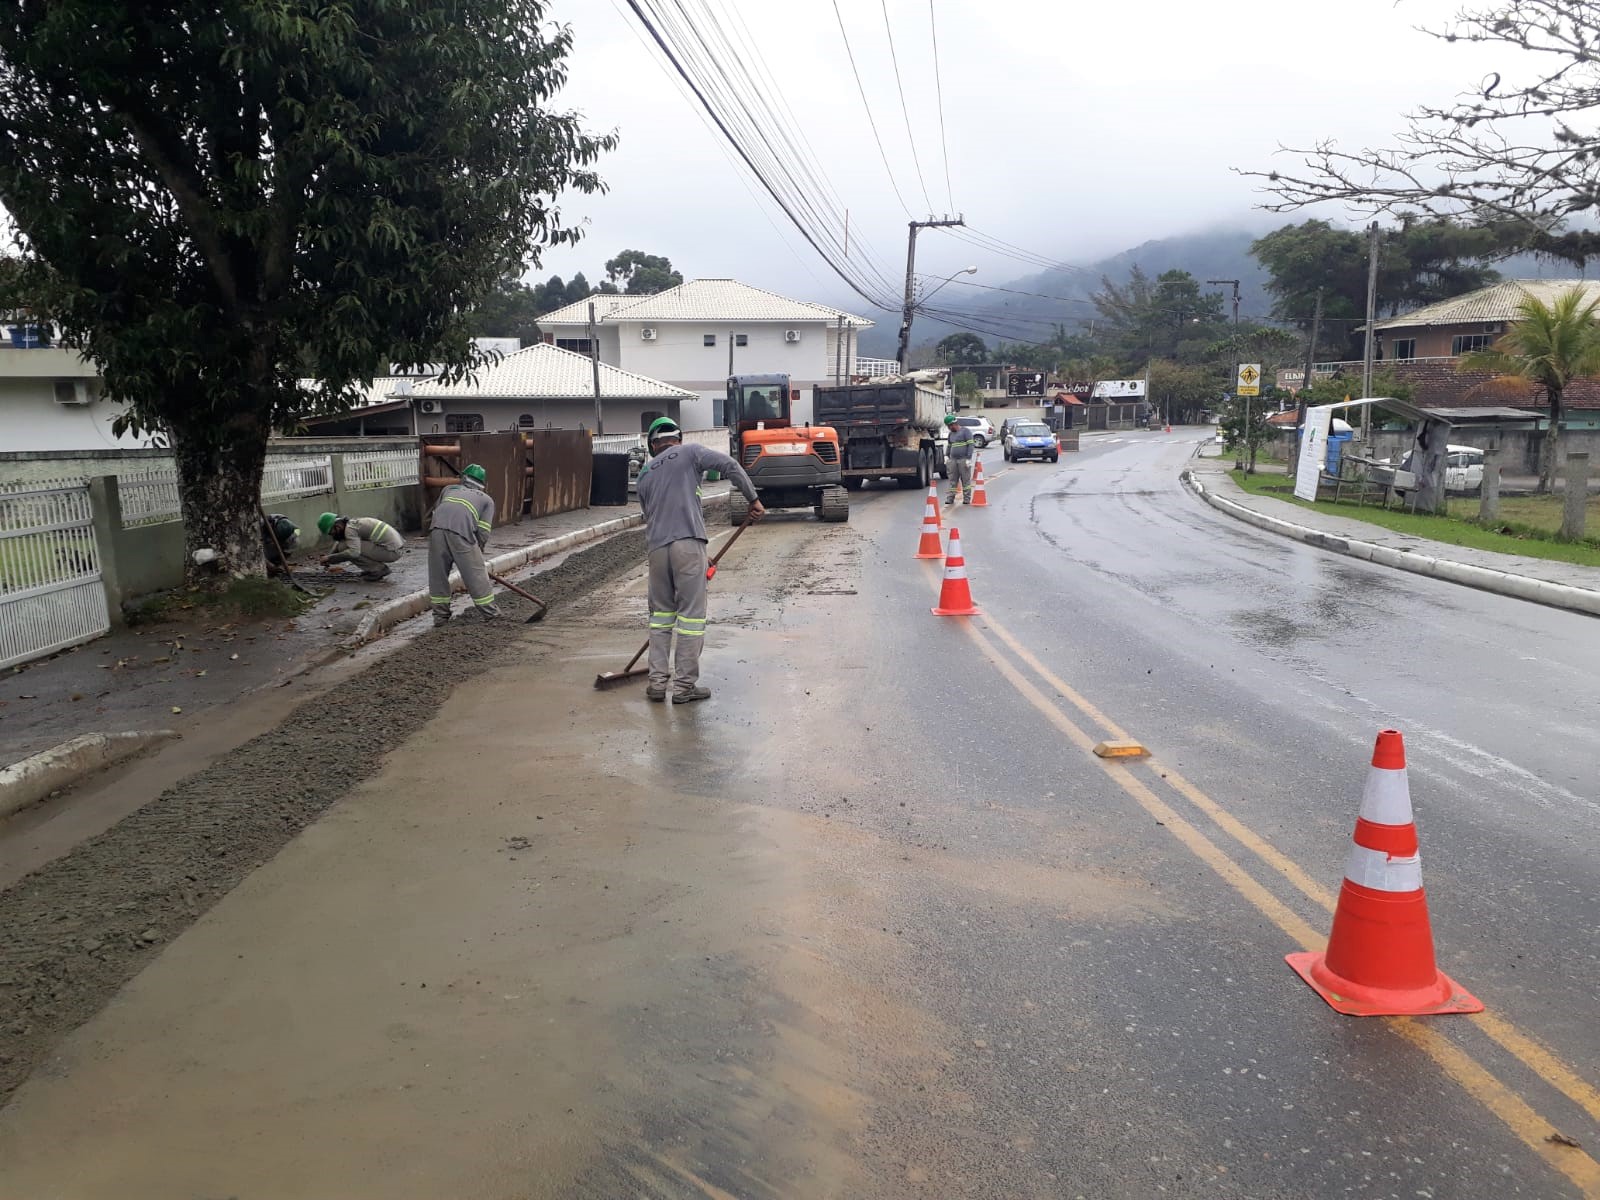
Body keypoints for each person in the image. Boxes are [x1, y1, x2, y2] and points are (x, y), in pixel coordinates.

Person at [635, 417, 763, 704]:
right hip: (688, 545)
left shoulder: (644, 475)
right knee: (691, 619)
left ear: (653, 444)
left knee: (660, 619)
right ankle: (683, 688)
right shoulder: (691, 452)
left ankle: (656, 684)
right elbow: (730, 465)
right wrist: (752, 499)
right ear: (676, 438)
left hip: (656, 551)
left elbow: (650, 515)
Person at [427, 463, 500, 625]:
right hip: (462, 533)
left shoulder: (448, 489)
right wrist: (478, 552)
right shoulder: (486, 500)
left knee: (438, 575)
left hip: (436, 531)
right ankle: (491, 614)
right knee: (476, 575)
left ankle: (440, 617)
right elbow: (483, 531)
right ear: (482, 483)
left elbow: (438, 512)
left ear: (463, 477)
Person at [317, 512, 405, 581]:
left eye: (331, 533)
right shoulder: (351, 524)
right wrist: (329, 557)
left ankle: (378, 570)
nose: (332, 536)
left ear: (338, 527)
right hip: (393, 548)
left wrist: (330, 558)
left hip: (392, 551)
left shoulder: (349, 530)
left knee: (349, 549)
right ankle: (373, 568)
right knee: (345, 546)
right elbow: (339, 543)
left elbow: (353, 553)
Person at [944, 414, 975, 506]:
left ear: (954, 424)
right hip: (953, 460)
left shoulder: (966, 431)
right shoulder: (951, 434)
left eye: (949, 426)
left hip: (963, 459)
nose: (949, 428)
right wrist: (946, 456)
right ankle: (950, 498)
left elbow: (970, 445)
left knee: (965, 480)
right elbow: (949, 446)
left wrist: (968, 458)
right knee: (952, 480)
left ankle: (966, 498)